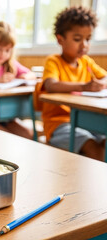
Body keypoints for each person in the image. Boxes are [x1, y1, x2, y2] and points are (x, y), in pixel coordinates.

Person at [36, 6, 107, 161]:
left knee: (103, 140)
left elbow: (105, 77)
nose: (84, 45)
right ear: (60, 39)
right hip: (58, 124)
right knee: (91, 145)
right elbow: (50, 84)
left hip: (85, 118)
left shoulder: (86, 61)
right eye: (77, 39)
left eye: (88, 39)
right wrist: (84, 86)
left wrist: (100, 83)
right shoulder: (53, 61)